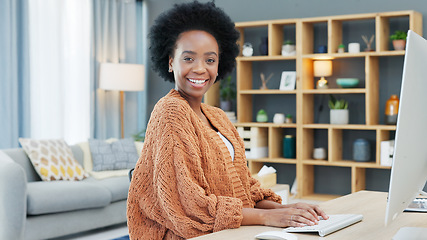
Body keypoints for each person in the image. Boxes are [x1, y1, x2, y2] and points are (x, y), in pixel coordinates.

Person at [127, 1, 328, 239]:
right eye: (188, 58)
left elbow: (244, 188)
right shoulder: (170, 111)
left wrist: (288, 209)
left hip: (231, 231)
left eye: (210, 60)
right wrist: (267, 217)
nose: (200, 69)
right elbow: (189, 207)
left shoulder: (217, 116)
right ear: (171, 61)